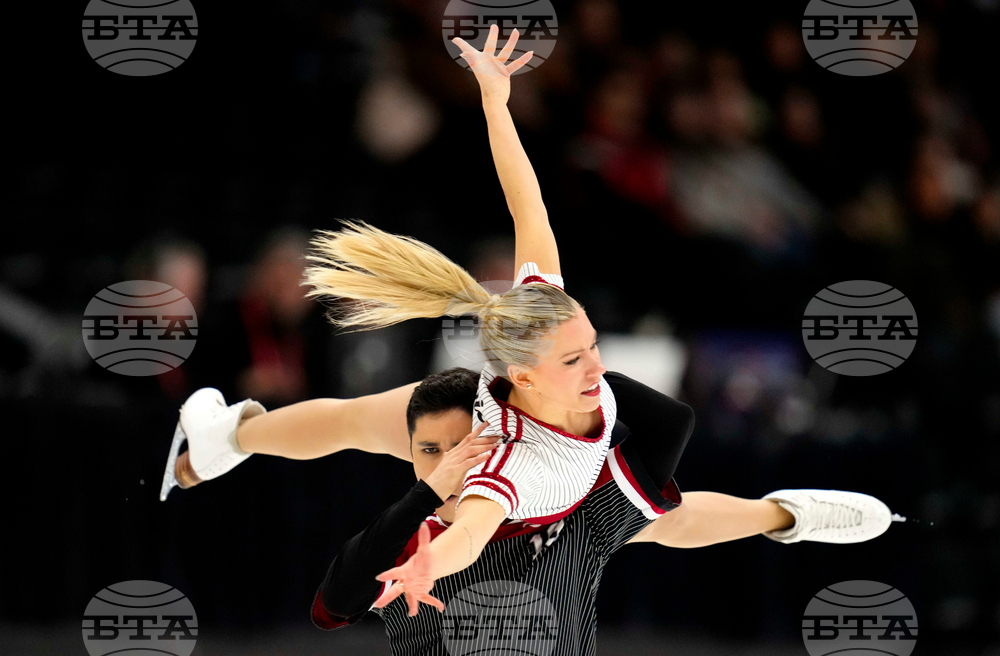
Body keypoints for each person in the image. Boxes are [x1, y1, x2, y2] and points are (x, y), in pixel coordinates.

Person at [159, 25, 896, 618]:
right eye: (575, 361)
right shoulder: (503, 463)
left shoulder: (540, 304)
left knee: (664, 520)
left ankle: (786, 513)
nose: (599, 368)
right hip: (511, 473)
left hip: (570, 450)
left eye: (592, 347)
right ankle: (230, 437)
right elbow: (472, 531)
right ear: (521, 375)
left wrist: (495, 104)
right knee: (356, 421)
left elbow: (527, 199)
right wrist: (427, 559)